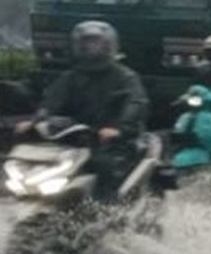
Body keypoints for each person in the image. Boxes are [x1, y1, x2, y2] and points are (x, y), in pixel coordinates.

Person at [16, 21, 149, 202]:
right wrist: (34, 121)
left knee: (104, 165)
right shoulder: (70, 77)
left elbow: (136, 104)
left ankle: (108, 209)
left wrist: (119, 128)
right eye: (86, 43)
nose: (91, 48)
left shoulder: (126, 77)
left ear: (109, 44)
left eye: (96, 42)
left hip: (116, 140)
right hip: (77, 137)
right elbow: (51, 102)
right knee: (39, 158)